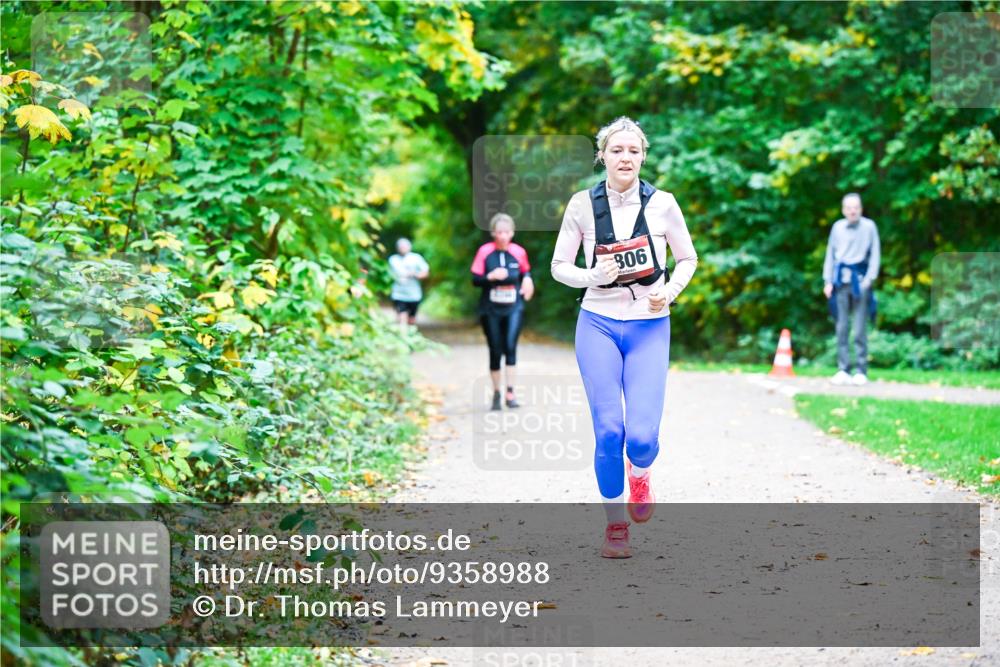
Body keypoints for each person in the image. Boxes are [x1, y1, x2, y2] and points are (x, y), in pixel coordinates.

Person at [551, 117, 697, 558]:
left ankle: (642, 471)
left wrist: (668, 292)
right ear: (603, 155)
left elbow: (687, 258)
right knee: (609, 429)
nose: (626, 158)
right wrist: (590, 275)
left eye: (634, 151)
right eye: (617, 150)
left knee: (641, 437)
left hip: (649, 326)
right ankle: (616, 526)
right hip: (596, 322)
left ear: (643, 157)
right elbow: (559, 266)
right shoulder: (581, 204)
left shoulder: (663, 204)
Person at [471, 213, 535, 410]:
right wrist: (490, 276)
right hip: (490, 309)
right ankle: (497, 393)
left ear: (512, 232)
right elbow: (475, 280)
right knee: (495, 349)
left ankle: (510, 392)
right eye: (499, 232)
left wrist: (527, 280)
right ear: (493, 233)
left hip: (513, 307)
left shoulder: (518, 252)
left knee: (510, 346)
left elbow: (525, 271)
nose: (503, 236)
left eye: (506, 232)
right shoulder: (484, 252)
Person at [822, 193, 881, 386]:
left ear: (861, 209)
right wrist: (828, 281)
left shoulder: (869, 226)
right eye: (849, 207)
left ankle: (861, 370)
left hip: (861, 282)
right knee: (841, 327)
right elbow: (830, 255)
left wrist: (869, 280)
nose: (853, 210)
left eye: (856, 207)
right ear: (843, 210)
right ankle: (843, 369)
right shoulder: (837, 227)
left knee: (859, 328)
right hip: (840, 282)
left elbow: (875, 255)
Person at [388, 238, 429, 333]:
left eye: (405, 246)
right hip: (398, 294)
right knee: (402, 317)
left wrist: (414, 274)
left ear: (409, 247)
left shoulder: (416, 258)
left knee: (411, 320)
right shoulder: (393, 260)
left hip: (414, 295)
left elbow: (425, 273)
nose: (403, 248)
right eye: (401, 247)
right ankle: (403, 337)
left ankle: (411, 336)